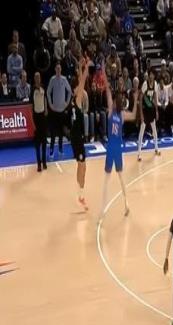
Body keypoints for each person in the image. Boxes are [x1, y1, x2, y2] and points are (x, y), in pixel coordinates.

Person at [98, 72, 139, 221]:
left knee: (120, 178)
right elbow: (108, 92)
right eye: (116, 100)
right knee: (106, 179)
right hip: (111, 148)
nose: (117, 103)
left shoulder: (121, 114)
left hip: (116, 149)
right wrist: (104, 75)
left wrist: (135, 101)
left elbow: (133, 116)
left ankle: (127, 204)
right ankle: (103, 209)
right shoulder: (111, 111)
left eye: (119, 101)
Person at [69, 58, 90, 211]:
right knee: (82, 165)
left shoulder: (74, 101)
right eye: (77, 88)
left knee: (82, 165)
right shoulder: (76, 100)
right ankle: (80, 196)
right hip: (76, 137)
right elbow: (82, 82)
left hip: (76, 137)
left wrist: (79, 68)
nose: (80, 89)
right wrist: (85, 67)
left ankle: (80, 193)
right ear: (74, 90)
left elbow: (81, 82)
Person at [47, 62, 72, 157]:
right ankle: (52, 150)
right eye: (57, 68)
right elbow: (48, 92)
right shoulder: (52, 79)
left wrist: (67, 102)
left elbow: (69, 91)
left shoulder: (64, 79)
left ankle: (61, 149)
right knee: (53, 132)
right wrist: (50, 104)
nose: (58, 70)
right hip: (54, 110)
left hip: (62, 110)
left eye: (59, 68)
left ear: (61, 70)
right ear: (55, 70)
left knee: (61, 132)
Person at [137, 69, 160, 160]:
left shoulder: (155, 84)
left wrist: (156, 111)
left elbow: (155, 97)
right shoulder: (145, 84)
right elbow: (140, 99)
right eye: (150, 74)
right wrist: (141, 114)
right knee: (142, 130)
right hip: (145, 110)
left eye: (152, 75)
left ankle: (156, 149)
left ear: (154, 76)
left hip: (151, 110)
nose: (151, 76)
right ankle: (139, 153)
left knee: (154, 129)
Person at [32, 72, 48, 172]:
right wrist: (32, 122)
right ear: (34, 79)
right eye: (36, 77)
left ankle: (44, 162)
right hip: (36, 117)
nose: (38, 79)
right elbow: (31, 106)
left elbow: (45, 98)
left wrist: (46, 109)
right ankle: (38, 164)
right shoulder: (32, 90)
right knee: (37, 143)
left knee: (44, 142)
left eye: (39, 77)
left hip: (43, 117)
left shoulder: (43, 87)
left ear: (40, 78)